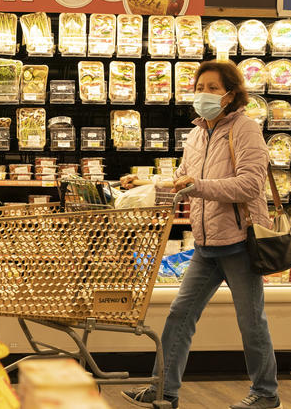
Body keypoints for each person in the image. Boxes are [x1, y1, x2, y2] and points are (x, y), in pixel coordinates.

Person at [120, 60, 282, 409]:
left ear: (231, 94)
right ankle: (164, 391)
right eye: (199, 87)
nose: (203, 94)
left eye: (212, 88)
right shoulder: (195, 133)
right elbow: (182, 180)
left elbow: (250, 185)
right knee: (180, 314)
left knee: (251, 321)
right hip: (206, 245)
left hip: (240, 243)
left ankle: (266, 394)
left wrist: (199, 186)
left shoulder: (246, 130)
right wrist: (145, 182)